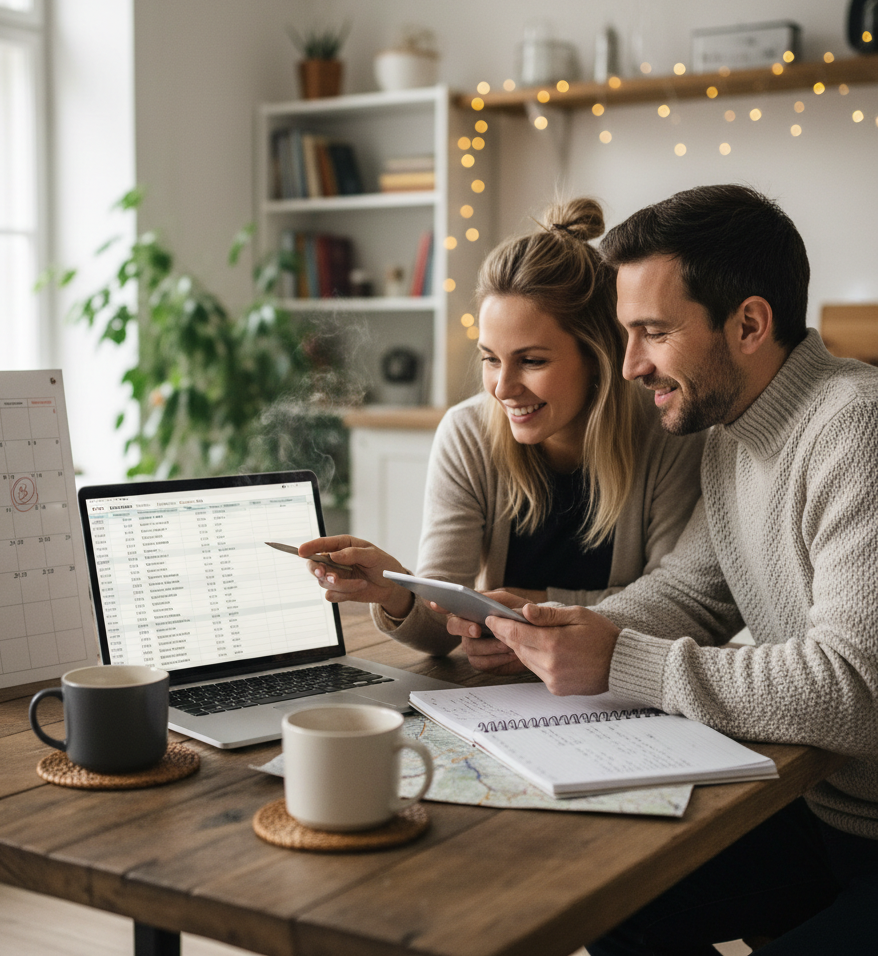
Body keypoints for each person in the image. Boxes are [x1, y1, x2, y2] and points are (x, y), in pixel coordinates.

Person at [471, 185, 878, 952]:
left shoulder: (854, 427)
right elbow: (692, 591)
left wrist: (620, 657)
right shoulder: (730, 436)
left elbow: (850, 688)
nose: (629, 367)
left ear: (750, 323)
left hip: (868, 830)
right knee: (612, 901)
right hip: (820, 811)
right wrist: (555, 628)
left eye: (652, 333)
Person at [298, 197, 705, 660]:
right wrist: (395, 592)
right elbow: (444, 628)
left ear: (598, 356)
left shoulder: (667, 434)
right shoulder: (467, 434)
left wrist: (525, 612)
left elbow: (672, 608)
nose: (503, 387)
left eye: (531, 361)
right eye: (490, 358)